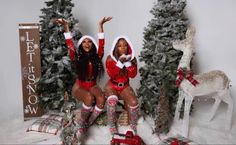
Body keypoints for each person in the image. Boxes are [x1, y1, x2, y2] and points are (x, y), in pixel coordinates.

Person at [55, 17, 112, 141]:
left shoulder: (97, 57)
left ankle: (88, 122)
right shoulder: (76, 57)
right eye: (84, 42)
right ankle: (81, 122)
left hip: (92, 85)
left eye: (89, 42)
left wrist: (101, 26)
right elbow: (70, 45)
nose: (87, 44)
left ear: (92, 45)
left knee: (102, 98)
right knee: (89, 98)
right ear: (81, 45)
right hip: (80, 86)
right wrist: (66, 28)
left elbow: (102, 45)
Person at [105, 36, 139, 135]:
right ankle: (112, 125)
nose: (123, 48)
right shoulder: (110, 59)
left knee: (134, 102)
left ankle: (133, 125)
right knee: (112, 101)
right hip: (112, 85)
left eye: (125, 45)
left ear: (128, 47)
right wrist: (120, 63)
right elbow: (111, 75)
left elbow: (133, 75)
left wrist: (128, 63)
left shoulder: (132, 59)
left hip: (124, 86)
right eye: (119, 46)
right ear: (116, 48)